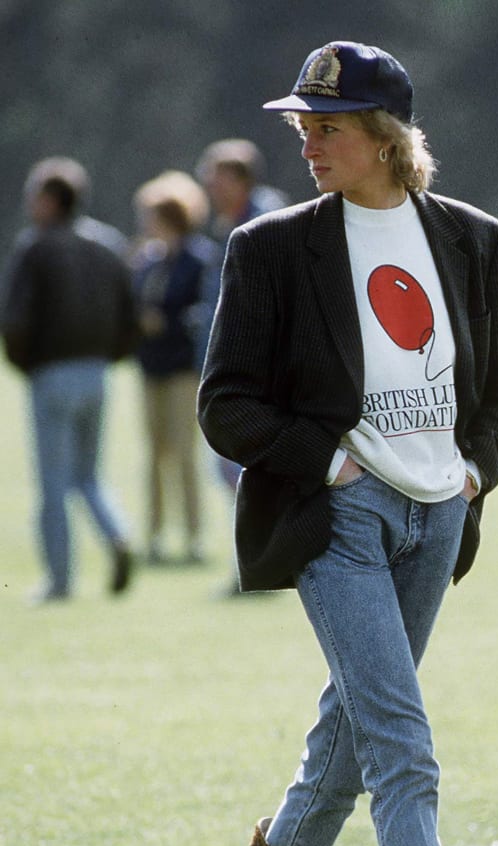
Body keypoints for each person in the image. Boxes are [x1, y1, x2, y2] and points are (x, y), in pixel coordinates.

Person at [197, 41, 498, 846]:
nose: (308, 142)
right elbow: (225, 405)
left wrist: (472, 469)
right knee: (400, 743)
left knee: (345, 744)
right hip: (337, 519)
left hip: (438, 517)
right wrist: (329, 461)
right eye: (302, 126)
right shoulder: (269, 247)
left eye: (328, 127)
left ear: (386, 139)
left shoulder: (471, 239)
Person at [1, 157, 136, 602]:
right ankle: (116, 534)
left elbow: (16, 319)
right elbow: (129, 314)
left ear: (51, 200)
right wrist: (111, 356)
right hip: (97, 373)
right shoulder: (108, 244)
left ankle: (59, 582)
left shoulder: (35, 247)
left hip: (51, 373)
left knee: (53, 483)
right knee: (88, 476)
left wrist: (24, 364)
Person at [195, 140, 289, 593]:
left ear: (241, 179)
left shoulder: (263, 221)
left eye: (217, 178)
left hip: (258, 373)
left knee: (242, 468)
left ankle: (260, 568)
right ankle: (256, 565)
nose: (210, 187)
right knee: (235, 470)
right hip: (237, 367)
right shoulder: (232, 222)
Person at [131, 171, 214, 564]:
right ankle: (155, 536)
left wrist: (170, 322)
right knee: (154, 454)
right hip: (151, 368)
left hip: (184, 369)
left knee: (184, 453)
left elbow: (203, 311)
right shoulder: (147, 260)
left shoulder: (199, 259)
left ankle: (194, 538)